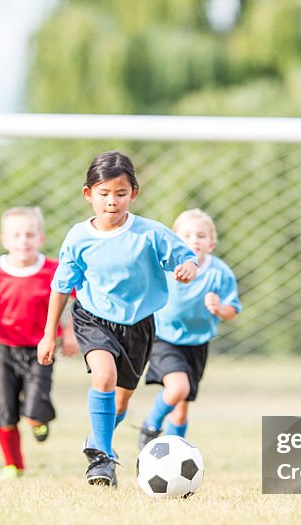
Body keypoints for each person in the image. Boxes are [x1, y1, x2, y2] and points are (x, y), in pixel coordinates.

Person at [37, 151, 199, 487]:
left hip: (138, 325)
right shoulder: (78, 238)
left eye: (121, 194)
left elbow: (186, 258)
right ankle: (102, 460)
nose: (112, 202)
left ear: (134, 194)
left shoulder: (150, 234)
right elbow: (61, 287)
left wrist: (188, 269)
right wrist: (48, 334)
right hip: (93, 318)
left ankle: (97, 440)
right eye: (104, 193)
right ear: (88, 194)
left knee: (122, 400)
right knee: (104, 375)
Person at [0, 206, 78, 479]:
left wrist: (71, 334)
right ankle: (14, 465)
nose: (23, 241)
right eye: (16, 235)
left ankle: (39, 419)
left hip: (42, 348)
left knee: (33, 409)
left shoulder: (52, 269)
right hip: (4, 348)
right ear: (4, 240)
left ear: (40, 238)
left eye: (29, 235)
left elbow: (76, 300)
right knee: (4, 409)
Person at [138, 209, 241, 450]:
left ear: (211, 243)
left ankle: (174, 451)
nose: (194, 240)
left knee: (182, 407)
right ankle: (150, 425)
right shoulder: (166, 267)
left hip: (197, 343)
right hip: (164, 337)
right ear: (175, 239)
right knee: (178, 388)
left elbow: (233, 310)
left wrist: (219, 308)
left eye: (201, 235)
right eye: (187, 235)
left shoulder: (219, 273)